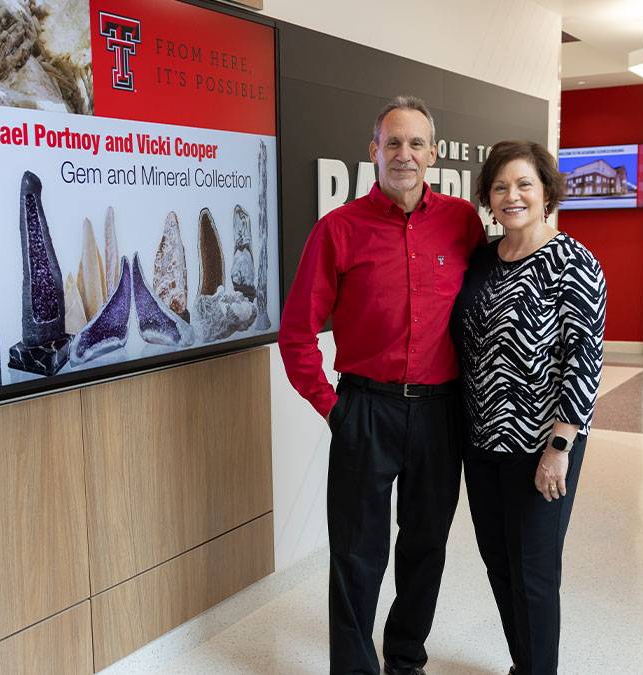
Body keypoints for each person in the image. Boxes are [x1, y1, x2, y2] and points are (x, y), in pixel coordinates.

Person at [279, 96, 486, 675]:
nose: (404, 154)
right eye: (392, 143)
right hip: (365, 409)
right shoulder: (338, 230)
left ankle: (404, 658)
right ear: (373, 151)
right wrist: (334, 409)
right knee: (356, 555)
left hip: (441, 415)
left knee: (425, 548)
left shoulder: (462, 223)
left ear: (433, 154)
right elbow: (296, 335)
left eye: (416, 143)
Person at [449, 141, 606, 675]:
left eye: (523, 185)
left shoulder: (575, 264)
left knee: (535, 572)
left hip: (542, 445)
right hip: (482, 443)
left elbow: (582, 365)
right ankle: (525, 665)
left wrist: (559, 448)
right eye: (499, 187)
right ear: (488, 199)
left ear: (546, 194)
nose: (511, 196)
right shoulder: (482, 261)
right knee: (500, 564)